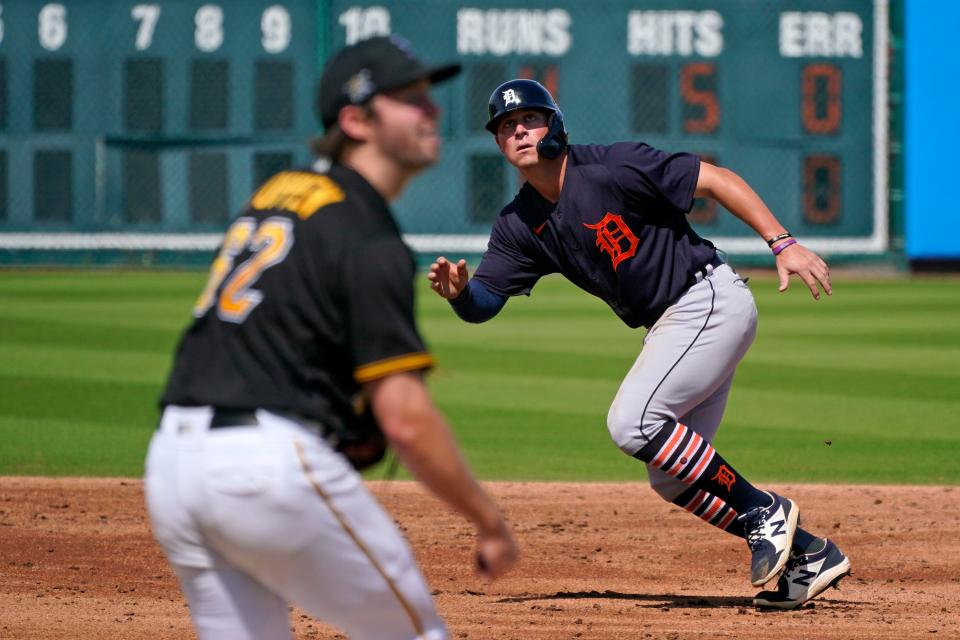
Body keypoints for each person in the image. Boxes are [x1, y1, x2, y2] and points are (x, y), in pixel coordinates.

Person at [144, 36, 518, 640]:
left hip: (171, 467)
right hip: (265, 470)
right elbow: (405, 420)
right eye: (409, 99)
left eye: (428, 96)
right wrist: (488, 520)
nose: (432, 110)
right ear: (355, 120)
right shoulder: (368, 235)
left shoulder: (275, 196)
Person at [427, 79, 850, 610]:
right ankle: (809, 555)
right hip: (673, 324)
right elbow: (485, 303)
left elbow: (716, 181)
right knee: (670, 479)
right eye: (506, 127)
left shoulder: (612, 165)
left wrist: (782, 242)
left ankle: (763, 510)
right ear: (498, 144)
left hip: (706, 300)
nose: (518, 131)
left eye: (529, 119)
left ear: (555, 124)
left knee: (632, 423)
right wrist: (460, 294)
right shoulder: (520, 223)